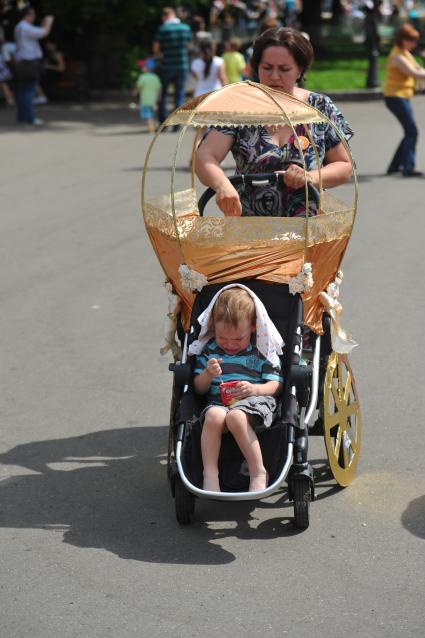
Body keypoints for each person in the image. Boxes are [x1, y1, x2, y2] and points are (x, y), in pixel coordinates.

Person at [195, 27, 353, 217]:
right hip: (251, 232)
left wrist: (310, 177)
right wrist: (221, 185)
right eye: (267, 68)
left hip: (309, 230)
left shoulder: (320, 106)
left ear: (300, 70)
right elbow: (205, 156)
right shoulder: (238, 109)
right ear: (256, 67)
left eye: (284, 69)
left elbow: (344, 166)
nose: (274, 76)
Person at [192, 286, 283, 493]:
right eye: (223, 339)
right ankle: (210, 473)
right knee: (214, 416)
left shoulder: (261, 350)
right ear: (214, 327)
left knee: (236, 417)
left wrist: (255, 389)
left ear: (252, 328)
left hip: (255, 401)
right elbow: (198, 389)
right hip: (219, 403)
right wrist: (207, 374)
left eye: (237, 339)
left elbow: (276, 385)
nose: (230, 345)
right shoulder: (210, 351)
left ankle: (258, 471)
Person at [384, 23, 425, 177]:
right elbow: (414, 73)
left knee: (410, 131)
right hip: (395, 96)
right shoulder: (398, 56)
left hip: (402, 96)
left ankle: (394, 166)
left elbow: (419, 69)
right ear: (403, 39)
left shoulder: (405, 53)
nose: (414, 44)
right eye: (412, 40)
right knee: (412, 131)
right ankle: (408, 167)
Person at [152, 6, 192, 125]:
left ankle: (163, 120)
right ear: (174, 15)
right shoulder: (185, 28)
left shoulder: (163, 29)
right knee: (179, 93)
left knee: (163, 93)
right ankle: (177, 122)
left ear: (164, 16)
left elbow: (156, 49)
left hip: (166, 66)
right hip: (182, 65)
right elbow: (189, 47)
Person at [14, 7, 54, 125]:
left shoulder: (19, 27)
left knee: (23, 90)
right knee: (29, 90)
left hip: (22, 61)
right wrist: (49, 22)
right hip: (29, 62)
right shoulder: (25, 27)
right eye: (33, 14)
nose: (34, 17)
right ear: (29, 15)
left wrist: (43, 24)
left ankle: (22, 116)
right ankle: (30, 117)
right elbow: (44, 32)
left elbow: (38, 31)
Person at [133, 58, 161, 132]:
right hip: (153, 100)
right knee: (152, 115)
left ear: (147, 68)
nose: (141, 68)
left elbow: (138, 87)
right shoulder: (156, 77)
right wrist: (158, 97)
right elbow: (158, 89)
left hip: (145, 100)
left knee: (147, 115)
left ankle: (151, 129)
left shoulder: (142, 77)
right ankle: (153, 127)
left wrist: (135, 92)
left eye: (143, 66)